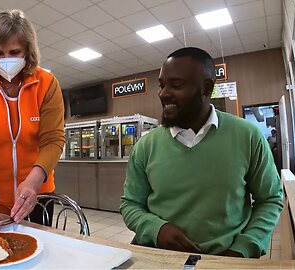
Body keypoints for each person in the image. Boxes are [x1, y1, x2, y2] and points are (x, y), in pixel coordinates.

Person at [120, 47, 283, 258]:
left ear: (207, 88)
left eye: (176, 85)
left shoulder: (247, 136)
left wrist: (244, 247)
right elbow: (130, 203)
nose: (163, 93)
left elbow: (270, 199)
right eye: (161, 85)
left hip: (227, 257)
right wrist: (155, 229)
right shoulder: (146, 146)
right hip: (159, 256)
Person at [0, 9, 65, 226]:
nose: (6, 59)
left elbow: (53, 140)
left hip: (36, 194)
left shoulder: (47, 83)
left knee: (37, 252)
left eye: (14, 52)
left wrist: (33, 183)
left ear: (27, 52)